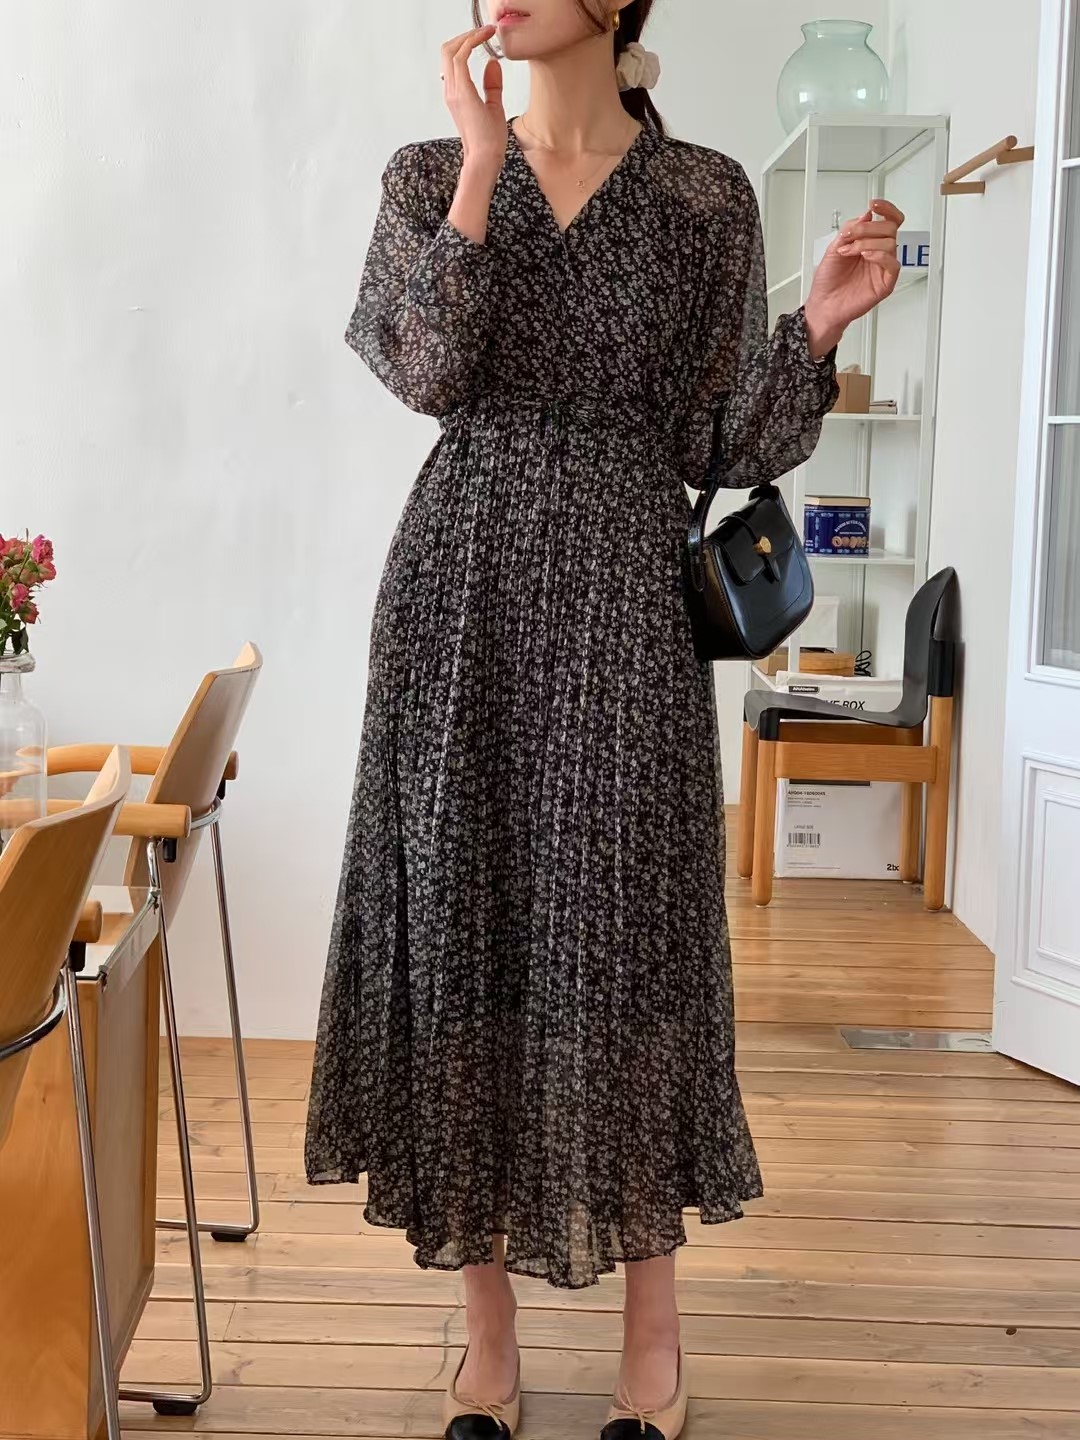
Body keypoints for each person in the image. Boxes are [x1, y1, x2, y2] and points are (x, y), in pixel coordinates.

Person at [305, 3, 903, 1437]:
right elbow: (426, 369)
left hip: (626, 608)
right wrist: (476, 158)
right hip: (459, 599)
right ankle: (487, 1338)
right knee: (465, 930)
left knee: (632, 946)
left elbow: (720, 444)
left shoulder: (703, 196)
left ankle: (655, 1334)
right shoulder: (424, 173)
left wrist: (816, 323)